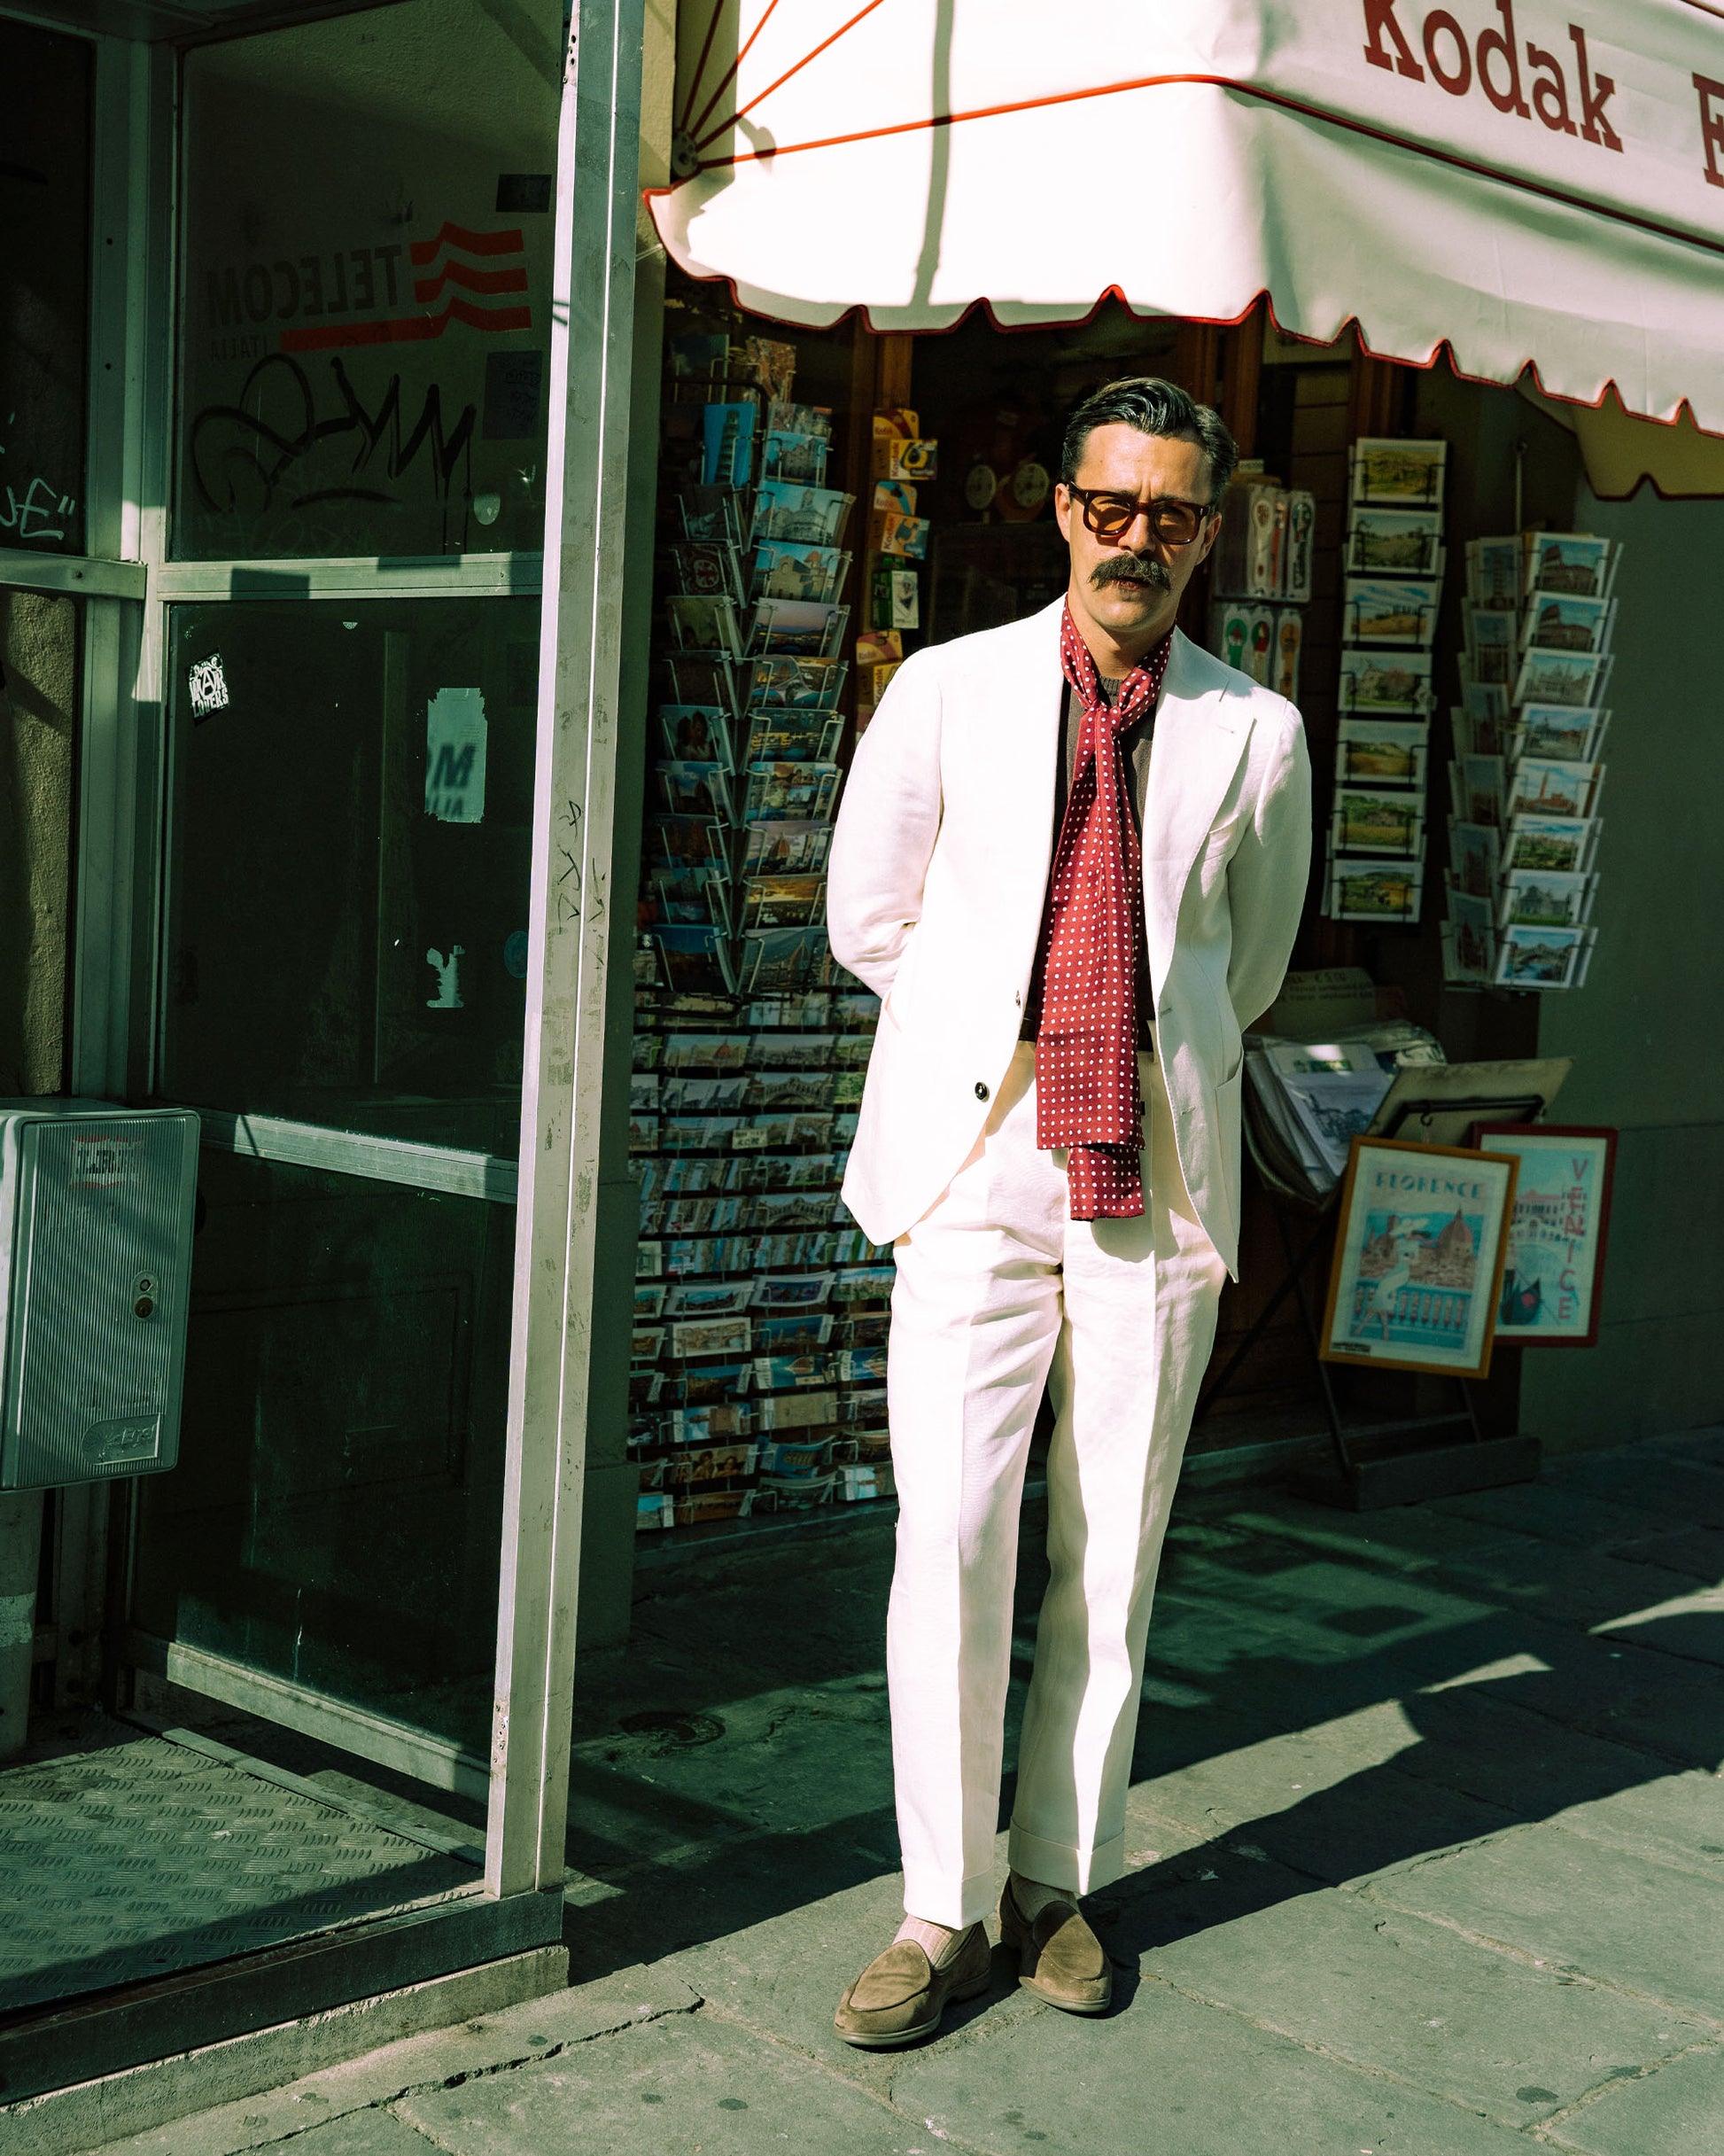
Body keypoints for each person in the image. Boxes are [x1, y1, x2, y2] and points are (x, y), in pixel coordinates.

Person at [824, 377, 1311, 2046]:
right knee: (950, 1533)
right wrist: (1011, 1039)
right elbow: (863, 915)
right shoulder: (948, 691)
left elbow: (1241, 969)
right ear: (1060, 510)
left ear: (1204, 532)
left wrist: (1132, 1049)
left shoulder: (1256, 730)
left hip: (1152, 1180)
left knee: (1109, 1548)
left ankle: (1062, 1884)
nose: (1135, 541)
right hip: (981, 1158)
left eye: (1169, 514)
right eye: (1110, 506)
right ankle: (938, 1905)